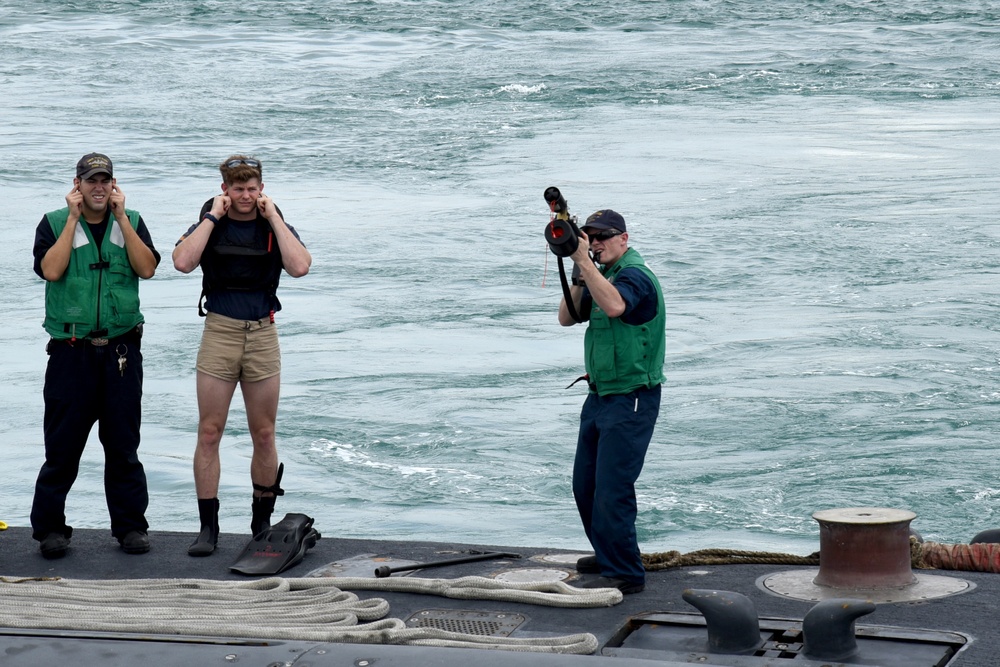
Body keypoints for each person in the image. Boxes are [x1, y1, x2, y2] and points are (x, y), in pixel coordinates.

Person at [172, 155, 311, 557]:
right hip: (220, 330)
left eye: (252, 189)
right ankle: (207, 527)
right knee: (210, 431)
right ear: (225, 191)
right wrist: (213, 218)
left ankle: (261, 522)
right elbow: (182, 261)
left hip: (263, 333)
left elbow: (300, 266)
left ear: (262, 189)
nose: (245, 196)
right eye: (237, 189)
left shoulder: (273, 222)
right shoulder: (211, 220)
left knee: (264, 433)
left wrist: (276, 220)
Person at [30, 152, 160, 558]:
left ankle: (130, 528)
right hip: (71, 353)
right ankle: (51, 529)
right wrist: (71, 220)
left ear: (114, 184)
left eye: (105, 180)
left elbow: (148, 268)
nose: (98, 187)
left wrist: (122, 219)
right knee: (62, 447)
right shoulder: (53, 222)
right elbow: (51, 271)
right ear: (77, 185)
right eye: (91, 181)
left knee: (123, 446)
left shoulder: (132, 222)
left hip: (121, 351)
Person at [558, 209, 665, 595]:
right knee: (584, 485)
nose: (597, 241)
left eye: (604, 235)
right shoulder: (598, 275)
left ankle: (626, 572)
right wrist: (577, 268)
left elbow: (618, 307)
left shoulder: (636, 276)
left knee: (612, 488)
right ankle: (607, 554)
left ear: (624, 238)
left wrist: (586, 261)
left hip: (632, 398)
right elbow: (566, 318)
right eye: (589, 236)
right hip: (599, 396)